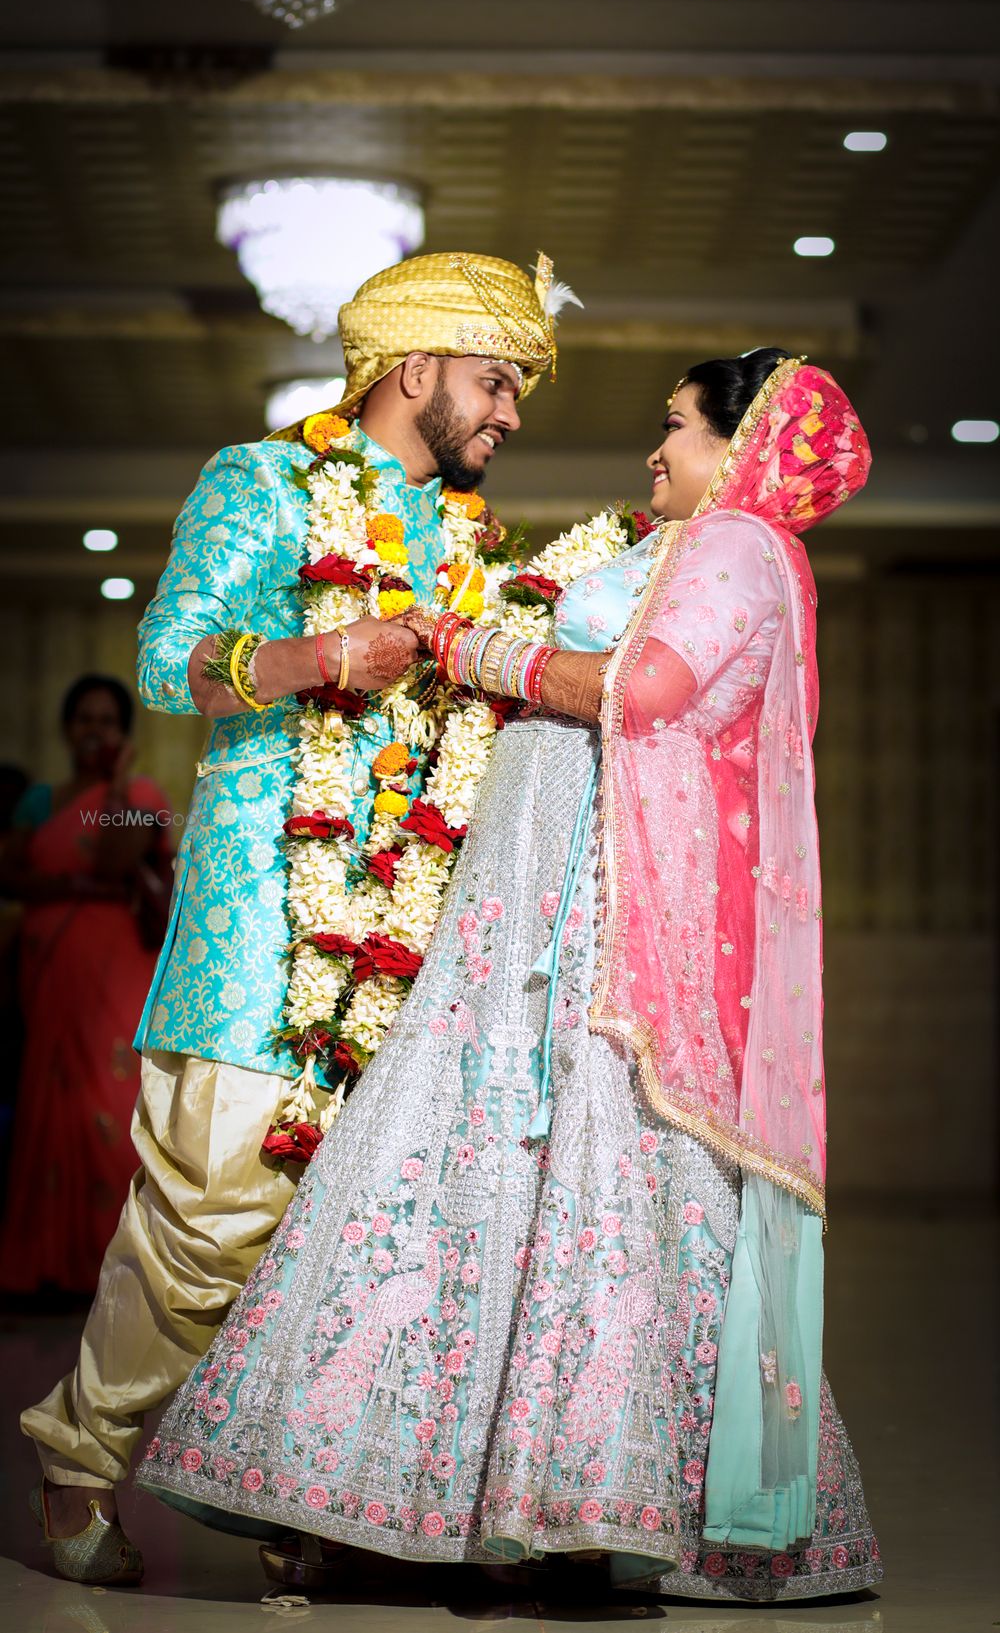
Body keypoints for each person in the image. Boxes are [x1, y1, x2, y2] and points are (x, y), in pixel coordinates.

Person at [137, 350, 882, 1603]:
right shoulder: (690, 545)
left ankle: (570, 1501)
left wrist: (476, 652)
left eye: (676, 427)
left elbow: (643, 692)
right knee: (480, 1186)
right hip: (527, 921)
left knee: (584, 1191)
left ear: (739, 444)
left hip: (585, 930)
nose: (654, 451)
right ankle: (404, 1494)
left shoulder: (739, 546)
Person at [22, 250, 569, 1587]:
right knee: (211, 1209)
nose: (509, 416)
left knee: (359, 1222)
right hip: (258, 914)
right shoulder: (261, 483)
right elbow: (169, 657)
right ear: (416, 368)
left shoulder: (465, 543)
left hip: (411, 929)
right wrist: (318, 659)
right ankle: (77, 1459)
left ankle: (299, 1499)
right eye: (496, 383)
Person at [0, 677, 172, 1297]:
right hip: (50, 961)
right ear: (66, 728)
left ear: (124, 731)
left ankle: (114, 1268)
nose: (93, 730)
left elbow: (113, 861)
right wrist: (64, 890)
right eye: (83, 720)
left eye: (106, 720)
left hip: (115, 960)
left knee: (108, 1090)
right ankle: (47, 1263)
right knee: (51, 1090)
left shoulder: (137, 794)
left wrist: (122, 779)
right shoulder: (41, 800)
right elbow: (10, 872)